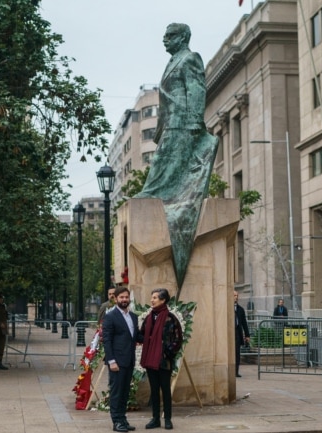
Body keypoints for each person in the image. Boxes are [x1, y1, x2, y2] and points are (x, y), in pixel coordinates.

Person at [135, 23, 218, 289]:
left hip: (184, 124)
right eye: (165, 35)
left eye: (169, 36)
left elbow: (196, 90)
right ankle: (154, 194)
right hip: (171, 124)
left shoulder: (190, 58)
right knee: (161, 162)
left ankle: (154, 194)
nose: (164, 39)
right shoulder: (173, 61)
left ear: (182, 37)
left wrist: (195, 121)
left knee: (162, 164)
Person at [140, 288, 182, 430]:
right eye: (152, 297)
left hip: (164, 361)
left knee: (165, 390)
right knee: (154, 390)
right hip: (150, 360)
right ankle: (155, 419)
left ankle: (168, 419)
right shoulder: (149, 318)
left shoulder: (171, 318)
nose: (152, 300)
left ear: (163, 300)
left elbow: (177, 339)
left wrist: (166, 352)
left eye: (155, 298)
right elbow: (141, 334)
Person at [102, 287, 142, 432]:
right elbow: (106, 340)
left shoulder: (133, 316)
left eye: (126, 297)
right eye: (121, 297)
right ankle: (116, 422)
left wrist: (153, 335)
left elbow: (136, 337)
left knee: (125, 392)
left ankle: (123, 419)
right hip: (116, 362)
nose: (124, 300)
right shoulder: (110, 316)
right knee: (116, 392)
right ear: (116, 299)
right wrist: (111, 361)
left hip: (129, 361)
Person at [233, 291, 250, 378]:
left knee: (237, 353)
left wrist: (247, 335)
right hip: (229, 333)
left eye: (237, 295)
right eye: (234, 295)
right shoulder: (227, 308)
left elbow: (244, 323)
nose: (236, 297)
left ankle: (236, 371)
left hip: (237, 333)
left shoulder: (240, 309)